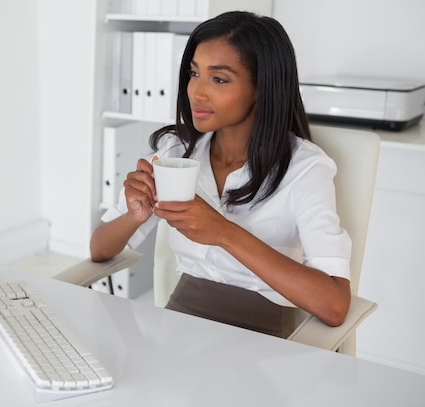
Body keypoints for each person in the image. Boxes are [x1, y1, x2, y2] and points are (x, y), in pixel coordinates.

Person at [90, 11, 352, 339]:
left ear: (261, 87)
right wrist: (133, 214)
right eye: (193, 73)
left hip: (263, 337)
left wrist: (223, 233)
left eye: (219, 79)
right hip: (178, 326)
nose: (197, 92)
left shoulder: (305, 169)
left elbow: (334, 305)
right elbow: (99, 250)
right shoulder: (175, 152)